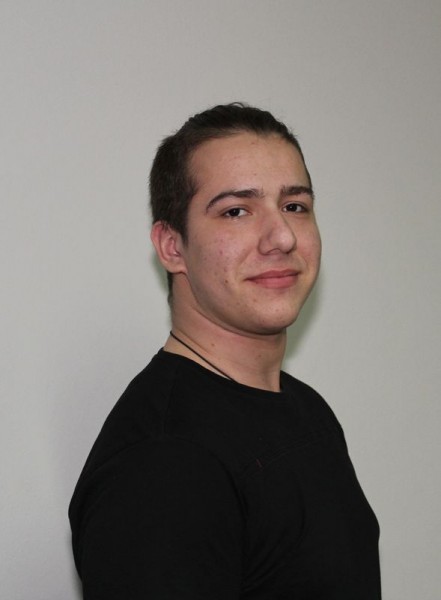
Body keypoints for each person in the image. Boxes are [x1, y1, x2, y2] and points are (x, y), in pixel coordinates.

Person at [69, 103, 381, 599]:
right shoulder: (162, 465)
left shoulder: (305, 408)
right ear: (172, 247)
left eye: (295, 206)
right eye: (236, 211)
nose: (282, 237)